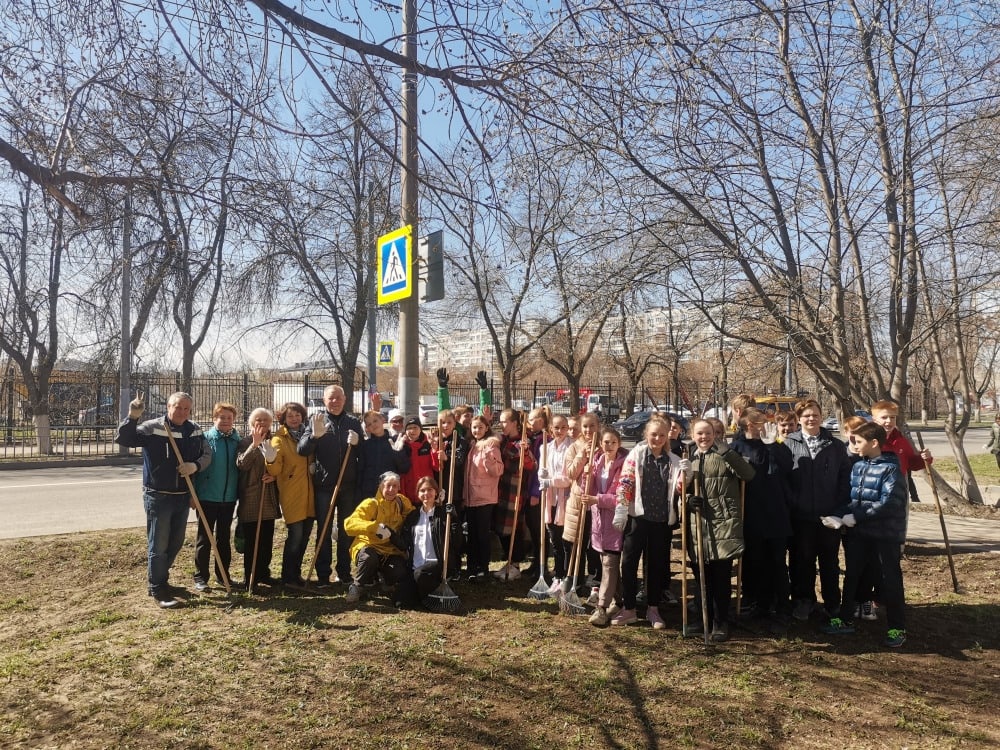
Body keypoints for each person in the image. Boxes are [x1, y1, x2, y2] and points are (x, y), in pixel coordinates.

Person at [115, 391, 211, 608]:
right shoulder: (153, 428)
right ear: (168, 406)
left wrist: (194, 466)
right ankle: (158, 589)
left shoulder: (194, 429)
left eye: (187, 408)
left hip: (183, 496)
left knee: (175, 543)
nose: (182, 412)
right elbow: (125, 439)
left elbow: (207, 454)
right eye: (178, 407)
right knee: (158, 545)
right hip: (158, 496)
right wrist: (132, 417)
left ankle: (159, 579)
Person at [820, 422, 909, 648]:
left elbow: (889, 503)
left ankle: (897, 627)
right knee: (853, 575)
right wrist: (838, 516)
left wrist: (857, 517)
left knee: (890, 580)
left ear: (874, 443)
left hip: (885, 535)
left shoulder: (891, 469)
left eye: (858, 441)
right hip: (860, 533)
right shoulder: (859, 466)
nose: (854, 445)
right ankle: (845, 618)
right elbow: (852, 499)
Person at [612, 414, 689, 629]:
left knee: (656, 565)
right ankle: (628, 608)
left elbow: (680, 489)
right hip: (638, 518)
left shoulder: (673, 460)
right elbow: (625, 482)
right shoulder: (636, 455)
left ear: (667, 437)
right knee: (629, 563)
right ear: (646, 434)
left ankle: (653, 608)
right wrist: (621, 508)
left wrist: (687, 475)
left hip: (661, 520)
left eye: (662, 435)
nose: (657, 438)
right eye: (653, 434)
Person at [687, 418, 756, 641]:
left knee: (721, 576)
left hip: (722, 524)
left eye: (709, 433)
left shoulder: (726, 456)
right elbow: (681, 491)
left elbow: (748, 474)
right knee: (701, 576)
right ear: (693, 435)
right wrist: (687, 501)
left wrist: (727, 453)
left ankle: (720, 621)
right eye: (700, 433)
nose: (704, 437)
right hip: (698, 525)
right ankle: (702, 617)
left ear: (717, 435)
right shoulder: (691, 458)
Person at [783, 399, 852, 621]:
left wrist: (839, 511)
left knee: (829, 561)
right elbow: (784, 481)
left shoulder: (835, 445)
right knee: (802, 561)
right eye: (806, 416)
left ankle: (832, 603)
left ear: (821, 417)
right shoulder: (788, 444)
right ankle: (804, 600)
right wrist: (794, 503)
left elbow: (844, 481)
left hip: (829, 515)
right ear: (799, 419)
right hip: (800, 516)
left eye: (815, 414)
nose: (811, 419)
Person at [729, 408, 792, 628]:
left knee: (776, 562)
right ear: (749, 425)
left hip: (776, 514)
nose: (766, 425)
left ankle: (782, 605)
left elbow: (785, 467)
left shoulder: (776, 446)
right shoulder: (737, 447)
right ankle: (755, 601)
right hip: (751, 514)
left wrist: (772, 444)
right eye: (760, 423)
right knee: (753, 561)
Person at [297, 385, 361, 587]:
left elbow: (362, 454)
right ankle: (323, 574)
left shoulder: (353, 422)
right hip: (324, 486)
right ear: (324, 401)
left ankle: (344, 572)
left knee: (346, 530)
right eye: (330, 399)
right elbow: (302, 450)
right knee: (324, 531)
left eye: (338, 398)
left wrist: (359, 443)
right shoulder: (317, 420)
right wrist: (314, 436)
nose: (334, 402)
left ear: (344, 399)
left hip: (348, 485)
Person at [264, 402, 315, 589]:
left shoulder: (309, 435)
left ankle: (297, 574)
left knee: (305, 537)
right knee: (295, 536)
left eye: (297, 415)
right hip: (292, 494)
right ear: (284, 419)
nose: (294, 419)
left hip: (310, 495)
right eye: (290, 416)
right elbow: (276, 469)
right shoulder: (280, 439)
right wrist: (270, 460)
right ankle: (288, 576)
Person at [343, 471, 414, 604]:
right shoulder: (371, 504)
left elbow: (414, 515)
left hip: (390, 550)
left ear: (399, 487)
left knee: (399, 571)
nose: (391, 490)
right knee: (369, 557)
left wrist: (436, 503)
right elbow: (349, 524)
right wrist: (373, 527)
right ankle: (357, 587)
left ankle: (385, 581)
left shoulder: (402, 502)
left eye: (395, 486)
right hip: (369, 547)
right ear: (381, 486)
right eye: (388, 485)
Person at [580, 428, 628, 626]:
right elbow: (587, 492)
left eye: (613, 442)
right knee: (607, 563)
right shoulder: (597, 462)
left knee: (609, 564)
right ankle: (621, 600)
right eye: (605, 442)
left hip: (615, 521)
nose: (608, 446)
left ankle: (601, 607)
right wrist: (586, 476)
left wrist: (596, 499)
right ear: (600, 443)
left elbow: (621, 496)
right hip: (599, 522)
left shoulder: (624, 465)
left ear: (619, 444)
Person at [191, 402, 241, 592]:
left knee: (223, 538)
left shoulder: (238, 441)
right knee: (204, 538)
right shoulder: (206, 440)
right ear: (214, 419)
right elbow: (195, 469)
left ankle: (223, 575)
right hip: (207, 497)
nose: (226, 421)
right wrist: (193, 495)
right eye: (222, 418)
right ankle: (200, 577)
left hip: (228, 499)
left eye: (229, 418)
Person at [393, 476, 462, 608]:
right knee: (399, 602)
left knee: (420, 575)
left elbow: (458, 543)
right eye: (422, 490)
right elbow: (404, 542)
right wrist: (391, 535)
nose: (426, 494)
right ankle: (425, 596)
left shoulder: (443, 515)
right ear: (418, 494)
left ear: (436, 492)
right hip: (416, 567)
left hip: (438, 565)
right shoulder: (413, 516)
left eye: (429, 489)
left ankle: (431, 592)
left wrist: (454, 519)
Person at [236, 408, 281, 591]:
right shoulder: (244, 442)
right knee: (252, 540)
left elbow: (281, 466)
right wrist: (254, 445)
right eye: (258, 420)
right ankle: (250, 578)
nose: (262, 423)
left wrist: (275, 476)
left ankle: (263, 573)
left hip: (269, 496)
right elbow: (241, 465)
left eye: (265, 420)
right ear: (251, 423)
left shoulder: (275, 441)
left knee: (266, 539)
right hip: (251, 497)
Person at [494, 409, 537, 580]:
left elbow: (530, 465)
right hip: (501, 489)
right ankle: (509, 560)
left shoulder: (523, 442)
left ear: (514, 423)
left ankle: (516, 563)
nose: (501, 425)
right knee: (502, 527)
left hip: (515, 489)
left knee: (513, 528)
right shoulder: (504, 440)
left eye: (504, 421)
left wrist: (525, 452)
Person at [563, 412, 602, 595]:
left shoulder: (604, 445)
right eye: (585, 426)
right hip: (578, 502)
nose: (588, 430)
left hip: (596, 502)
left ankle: (594, 579)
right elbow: (570, 474)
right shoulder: (574, 447)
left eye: (592, 426)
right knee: (577, 542)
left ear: (598, 427)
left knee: (594, 543)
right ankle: (575, 580)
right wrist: (582, 456)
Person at [463, 414, 503, 582]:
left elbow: (498, 471)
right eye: (474, 427)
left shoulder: (491, 446)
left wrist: (489, 459)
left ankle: (482, 567)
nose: (477, 430)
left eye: (480, 427)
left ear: (486, 428)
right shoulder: (472, 445)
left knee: (482, 534)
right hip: (471, 496)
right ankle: (472, 566)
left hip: (485, 497)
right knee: (471, 534)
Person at [541, 414, 574, 594]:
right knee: (554, 539)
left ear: (567, 428)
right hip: (550, 499)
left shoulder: (571, 447)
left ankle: (566, 576)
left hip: (566, 499)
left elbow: (569, 478)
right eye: (556, 428)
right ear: (551, 429)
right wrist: (543, 476)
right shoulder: (545, 448)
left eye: (563, 427)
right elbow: (542, 470)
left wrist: (551, 481)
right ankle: (557, 575)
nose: (559, 431)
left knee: (565, 540)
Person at [358, 410, 410, 501]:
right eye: (369, 424)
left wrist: (398, 452)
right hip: (370, 493)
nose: (373, 425)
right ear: (367, 429)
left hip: (390, 493)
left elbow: (404, 468)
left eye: (375, 421)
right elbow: (360, 471)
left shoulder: (395, 441)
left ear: (382, 420)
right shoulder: (365, 446)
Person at [401, 417, 438, 501]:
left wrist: (435, 450)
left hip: (426, 491)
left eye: (415, 427)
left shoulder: (428, 444)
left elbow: (436, 467)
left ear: (420, 429)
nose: (412, 430)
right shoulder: (402, 445)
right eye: (409, 428)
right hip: (408, 491)